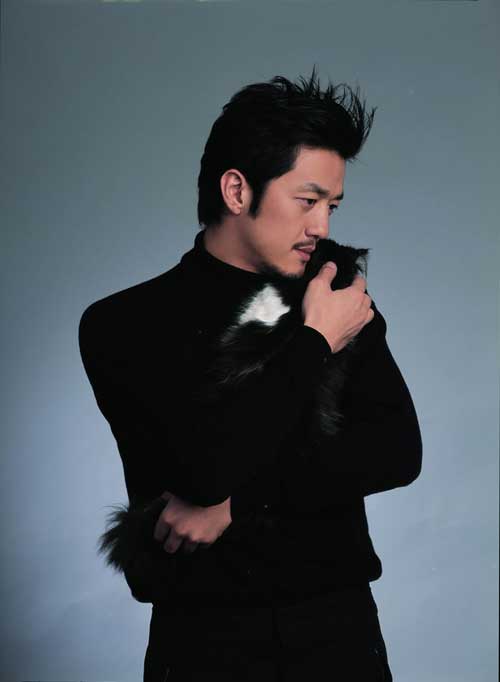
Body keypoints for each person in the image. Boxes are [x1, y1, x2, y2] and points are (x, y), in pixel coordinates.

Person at [78, 67, 422, 681]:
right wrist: (315, 341)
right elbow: (202, 468)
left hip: (337, 631)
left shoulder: (334, 296)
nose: (323, 227)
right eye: (308, 201)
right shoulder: (123, 324)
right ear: (237, 192)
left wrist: (236, 504)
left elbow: (396, 453)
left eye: (332, 206)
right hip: (203, 640)